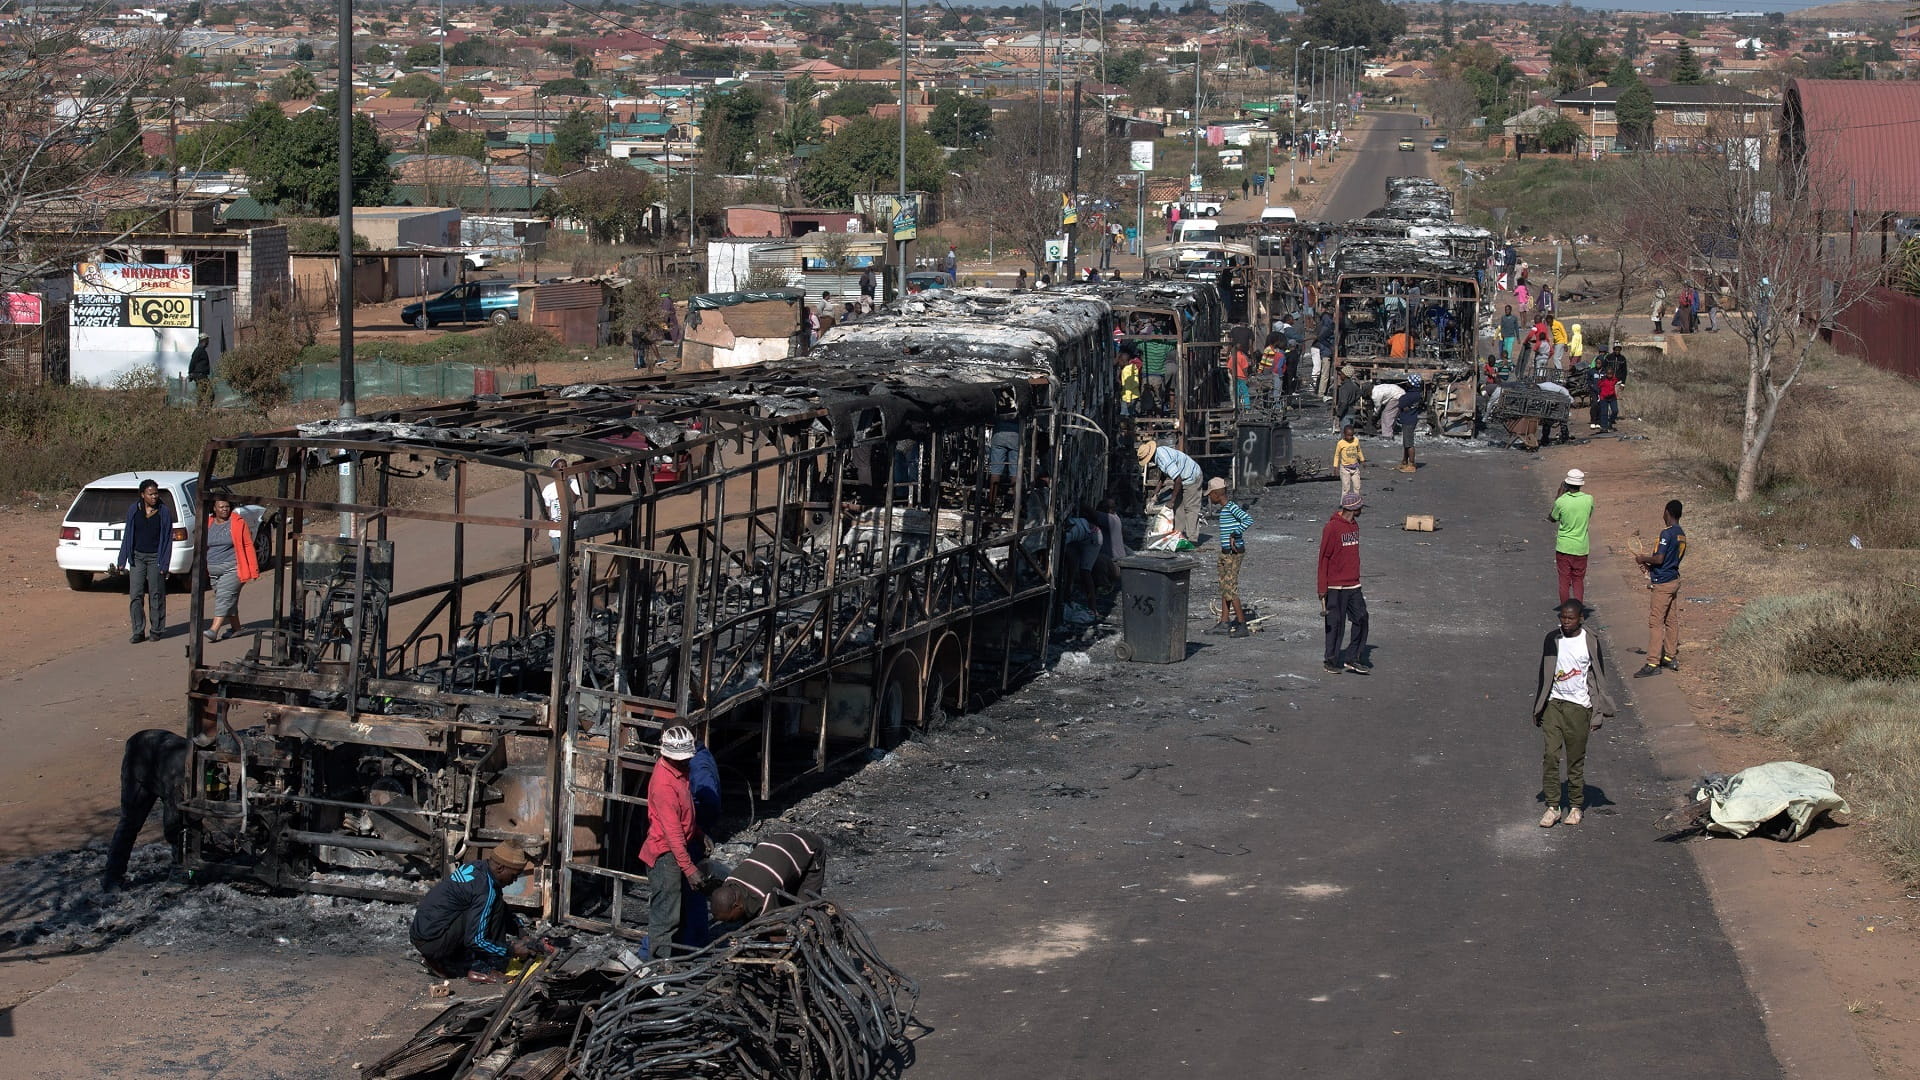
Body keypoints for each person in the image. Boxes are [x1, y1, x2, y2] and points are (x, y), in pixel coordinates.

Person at [410, 838, 546, 980]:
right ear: (500, 868)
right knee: (491, 906)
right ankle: (484, 968)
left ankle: (447, 960)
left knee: (494, 903)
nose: (514, 880)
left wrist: (521, 932)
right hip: (433, 942)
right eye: (514, 875)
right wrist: (511, 950)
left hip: (421, 935)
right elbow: (475, 940)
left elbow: (501, 908)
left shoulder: (477, 867)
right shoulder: (485, 890)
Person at [1532, 600, 1616, 828]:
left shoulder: (1590, 641)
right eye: (1562, 617)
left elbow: (1598, 679)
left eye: (1570, 618)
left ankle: (1576, 805)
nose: (1566, 622)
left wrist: (1597, 713)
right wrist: (1538, 707)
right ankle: (1553, 806)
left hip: (1579, 708)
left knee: (1575, 760)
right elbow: (1544, 675)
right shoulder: (1552, 639)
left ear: (1580, 619)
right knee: (1550, 756)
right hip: (1554, 705)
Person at [639, 725, 708, 960]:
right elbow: (673, 833)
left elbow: (684, 815)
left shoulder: (679, 771)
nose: (686, 763)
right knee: (666, 917)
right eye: (682, 760)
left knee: (677, 911)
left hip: (675, 850)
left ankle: (672, 960)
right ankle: (658, 967)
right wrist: (689, 869)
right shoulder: (664, 784)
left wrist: (698, 833)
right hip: (665, 855)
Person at [101, 728, 189, 890]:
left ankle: (182, 870)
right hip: (141, 763)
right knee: (130, 822)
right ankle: (112, 877)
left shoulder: (187, 771)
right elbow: (173, 825)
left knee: (178, 824)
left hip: (160, 760)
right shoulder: (180, 780)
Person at [707, 828, 828, 924]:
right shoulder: (730, 881)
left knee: (805, 910)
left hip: (809, 847)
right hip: (777, 845)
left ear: (737, 906)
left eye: (730, 920)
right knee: (785, 898)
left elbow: (775, 931)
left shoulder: (763, 896)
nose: (730, 923)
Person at [114, 478, 174, 644]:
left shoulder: (163, 511)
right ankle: (138, 631)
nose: (154, 497)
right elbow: (128, 535)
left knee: (156, 594)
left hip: (156, 558)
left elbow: (167, 539)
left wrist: (164, 563)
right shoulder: (134, 510)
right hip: (137, 557)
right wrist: (122, 559)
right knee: (136, 595)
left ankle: (156, 630)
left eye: (156, 494)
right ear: (142, 495)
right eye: (150, 494)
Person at [1633, 500, 1687, 678]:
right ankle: (1670, 656)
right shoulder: (1681, 534)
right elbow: (1670, 560)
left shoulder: (1666, 533)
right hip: (1673, 580)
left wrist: (1643, 559)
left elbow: (1660, 559)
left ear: (1667, 512)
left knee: (1655, 622)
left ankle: (1653, 662)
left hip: (1663, 583)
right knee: (1671, 620)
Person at [1318, 492, 1368, 675]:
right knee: (1336, 624)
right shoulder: (1331, 528)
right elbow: (1323, 557)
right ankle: (1330, 661)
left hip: (1353, 584)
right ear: (1354, 508)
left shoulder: (1354, 525)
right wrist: (1322, 587)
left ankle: (1352, 658)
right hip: (1335, 586)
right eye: (1360, 507)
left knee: (1362, 618)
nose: (1362, 510)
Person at [201, 493, 257, 642]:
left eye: (227, 506)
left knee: (224, 598)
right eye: (221, 507)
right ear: (214, 508)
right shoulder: (208, 522)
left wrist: (253, 569)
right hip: (213, 570)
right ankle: (236, 629)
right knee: (228, 599)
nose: (225, 509)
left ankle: (214, 630)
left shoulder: (238, 522)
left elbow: (248, 545)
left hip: (233, 568)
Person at [1204, 478, 1253, 638]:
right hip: (1226, 552)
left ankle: (1241, 624)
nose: (1209, 497)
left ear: (1216, 494)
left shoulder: (1231, 507)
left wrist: (1235, 533)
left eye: (1210, 494)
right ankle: (1224, 622)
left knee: (1230, 588)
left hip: (1233, 552)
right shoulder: (1225, 509)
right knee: (1225, 586)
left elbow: (1248, 519)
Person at [1138, 438, 1204, 544]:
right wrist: (1156, 492)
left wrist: (1171, 500)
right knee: (1178, 507)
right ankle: (1178, 534)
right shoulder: (1159, 454)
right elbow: (1164, 474)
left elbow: (1178, 480)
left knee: (1190, 508)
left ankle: (1192, 538)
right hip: (1183, 477)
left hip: (1192, 476)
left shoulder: (1163, 458)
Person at [1549, 469, 1594, 605]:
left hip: (1564, 547)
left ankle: (1565, 610)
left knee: (1564, 581)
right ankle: (1578, 610)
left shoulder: (1561, 501)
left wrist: (1559, 495)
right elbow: (1588, 515)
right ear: (1581, 484)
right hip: (1581, 547)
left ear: (1567, 484)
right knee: (1578, 580)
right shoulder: (1588, 499)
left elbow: (1552, 517)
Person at [540, 457, 584, 558]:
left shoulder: (573, 483)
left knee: (569, 556)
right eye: (560, 468)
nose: (563, 469)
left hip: (570, 527)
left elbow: (573, 499)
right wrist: (538, 528)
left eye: (565, 467)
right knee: (559, 558)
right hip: (555, 530)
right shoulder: (548, 489)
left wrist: (565, 482)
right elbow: (546, 508)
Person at [986, 416, 1023, 506]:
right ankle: (1017, 505)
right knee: (1015, 472)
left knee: (995, 472)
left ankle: (991, 505)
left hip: (999, 432)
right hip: (1015, 433)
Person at [1139, 336, 1174, 417]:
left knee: (1147, 402)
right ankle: (1158, 420)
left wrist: (1141, 333)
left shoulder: (1145, 345)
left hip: (1146, 377)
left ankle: (1149, 422)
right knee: (1159, 401)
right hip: (1158, 377)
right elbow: (1175, 343)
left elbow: (1135, 341)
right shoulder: (1164, 347)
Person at [1396, 375, 1423, 472]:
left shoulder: (1410, 395)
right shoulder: (1417, 394)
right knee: (1406, 443)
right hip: (1411, 419)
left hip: (1408, 420)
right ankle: (1404, 462)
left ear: (1412, 384)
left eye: (1408, 382)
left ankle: (1411, 464)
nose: (1406, 383)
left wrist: (1403, 406)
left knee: (1409, 443)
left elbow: (1401, 402)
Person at [1334, 422, 1364, 495]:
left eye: (1351, 435)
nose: (1350, 437)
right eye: (1348, 435)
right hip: (1345, 468)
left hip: (1355, 467)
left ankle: (1356, 500)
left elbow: (1359, 451)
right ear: (1344, 434)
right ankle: (1344, 501)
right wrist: (1335, 467)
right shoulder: (1340, 443)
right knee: (1346, 488)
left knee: (1357, 486)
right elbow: (1337, 455)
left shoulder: (1356, 440)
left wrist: (1362, 460)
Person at [188, 333, 213, 407]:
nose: (208, 342)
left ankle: (202, 410)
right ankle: (202, 410)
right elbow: (192, 362)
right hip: (200, 376)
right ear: (204, 341)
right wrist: (190, 373)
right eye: (207, 340)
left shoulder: (201, 350)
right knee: (209, 393)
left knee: (203, 394)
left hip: (202, 376)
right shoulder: (198, 350)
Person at [1594, 368, 1619, 433]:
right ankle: (1603, 427)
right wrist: (1598, 394)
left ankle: (1610, 421)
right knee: (1604, 413)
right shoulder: (1603, 379)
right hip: (1604, 397)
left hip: (1612, 397)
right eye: (1608, 374)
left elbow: (1618, 384)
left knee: (1615, 410)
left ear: (1612, 374)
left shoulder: (1614, 379)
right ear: (1606, 374)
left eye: (1611, 374)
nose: (1609, 375)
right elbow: (1597, 386)